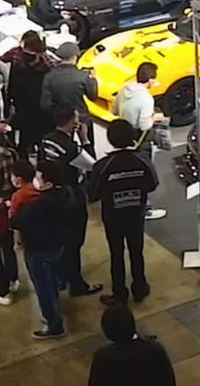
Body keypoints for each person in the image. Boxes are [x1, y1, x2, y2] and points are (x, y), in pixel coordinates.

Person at [89, 119, 159, 307]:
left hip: (113, 217)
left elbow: (93, 194)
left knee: (116, 254)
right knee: (137, 252)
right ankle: (139, 287)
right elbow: (152, 184)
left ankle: (119, 294)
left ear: (110, 139)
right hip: (136, 215)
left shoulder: (103, 165)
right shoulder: (142, 161)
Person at [40, 106, 100, 297]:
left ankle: (60, 278)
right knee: (74, 241)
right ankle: (76, 283)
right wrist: (85, 139)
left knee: (58, 239)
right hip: (71, 196)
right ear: (72, 122)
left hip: (50, 195)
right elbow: (93, 166)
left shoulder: (46, 139)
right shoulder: (70, 147)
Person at [10, 159, 69, 339]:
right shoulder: (67, 194)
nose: (37, 183)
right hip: (58, 244)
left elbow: (17, 222)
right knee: (51, 278)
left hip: (39, 249)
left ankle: (54, 324)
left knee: (42, 286)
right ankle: (55, 302)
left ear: (48, 183)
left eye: (39, 179)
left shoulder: (39, 204)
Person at [112, 62, 167, 222]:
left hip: (123, 136)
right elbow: (144, 124)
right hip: (139, 140)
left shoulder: (124, 89)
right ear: (150, 80)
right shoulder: (146, 98)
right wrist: (154, 117)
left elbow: (114, 110)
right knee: (142, 174)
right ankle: (145, 209)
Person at [2, 30, 54, 158]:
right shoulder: (44, 57)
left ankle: (22, 149)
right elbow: (52, 66)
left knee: (23, 122)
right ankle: (33, 145)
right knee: (34, 123)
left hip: (20, 94)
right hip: (35, 95)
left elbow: (3, 58)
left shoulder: (16, 53)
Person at [40, 41, 97, 119]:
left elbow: (45, 105)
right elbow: (93, 96)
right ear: (74, 57)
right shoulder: (82, 76)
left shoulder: (49, 77)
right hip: (80, 118)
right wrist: (93, 79)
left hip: (59, 119)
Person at [0, 131, 17, 305]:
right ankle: (13, 279)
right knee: (7, 246)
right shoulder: (7, 154)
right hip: (7, 205)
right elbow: (10, 182)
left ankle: (3, 291)